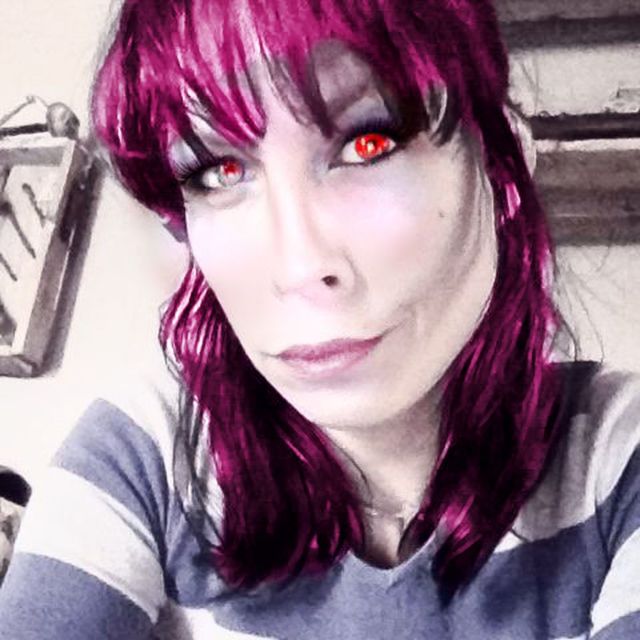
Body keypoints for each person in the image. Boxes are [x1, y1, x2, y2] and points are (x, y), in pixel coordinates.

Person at [1, 0, 639, 638]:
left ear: (501, 166)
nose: (300, 266)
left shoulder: (619, 463)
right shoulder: (144, 457)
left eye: (368, 144)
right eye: (220, 172)